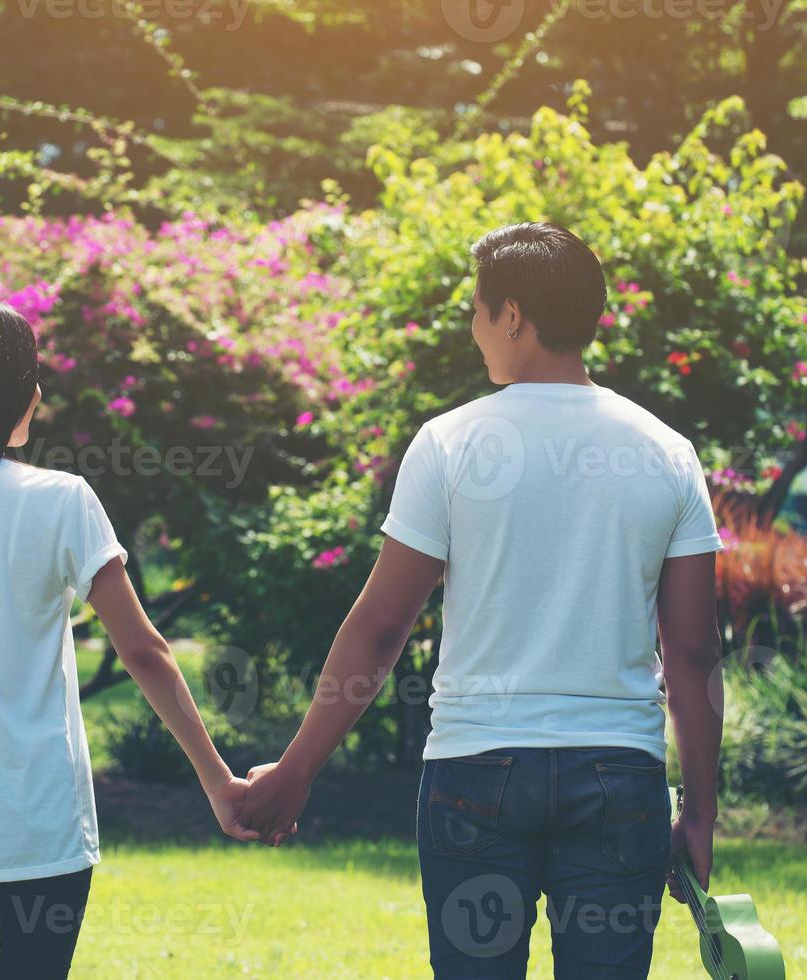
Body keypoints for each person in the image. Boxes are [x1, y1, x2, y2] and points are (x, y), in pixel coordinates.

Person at [240, 222, 725, 978]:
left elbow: (378, 628)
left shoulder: (449, 442)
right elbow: (693, 653)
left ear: (511, 316)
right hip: (618, 778)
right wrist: (698, 815)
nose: (473, 329)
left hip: (476, 772)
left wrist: (298, 768)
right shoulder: (667, 451)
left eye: (475, 310)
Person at [0, 298, 256, 980]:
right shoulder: (60, 499)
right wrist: (218, 781)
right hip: (39, 821)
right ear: (17, 392)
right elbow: (144, 652)